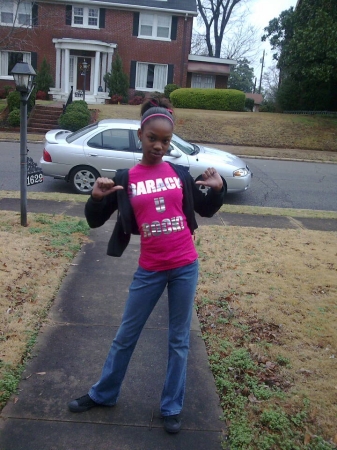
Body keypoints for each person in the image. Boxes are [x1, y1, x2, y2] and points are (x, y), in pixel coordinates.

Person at [68, 97, 225, 434]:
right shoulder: (127, 177)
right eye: (153, 138)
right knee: (126, 335)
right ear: (141, 134)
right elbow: (96, 221)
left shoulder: (180, 174)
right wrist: (95, 197)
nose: (159, 145)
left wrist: (217, 190)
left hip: (185, 265)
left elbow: (206, 210)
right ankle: (104, 393)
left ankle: (171, 407)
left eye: (166, 141)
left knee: (179, 340)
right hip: (150, 269)